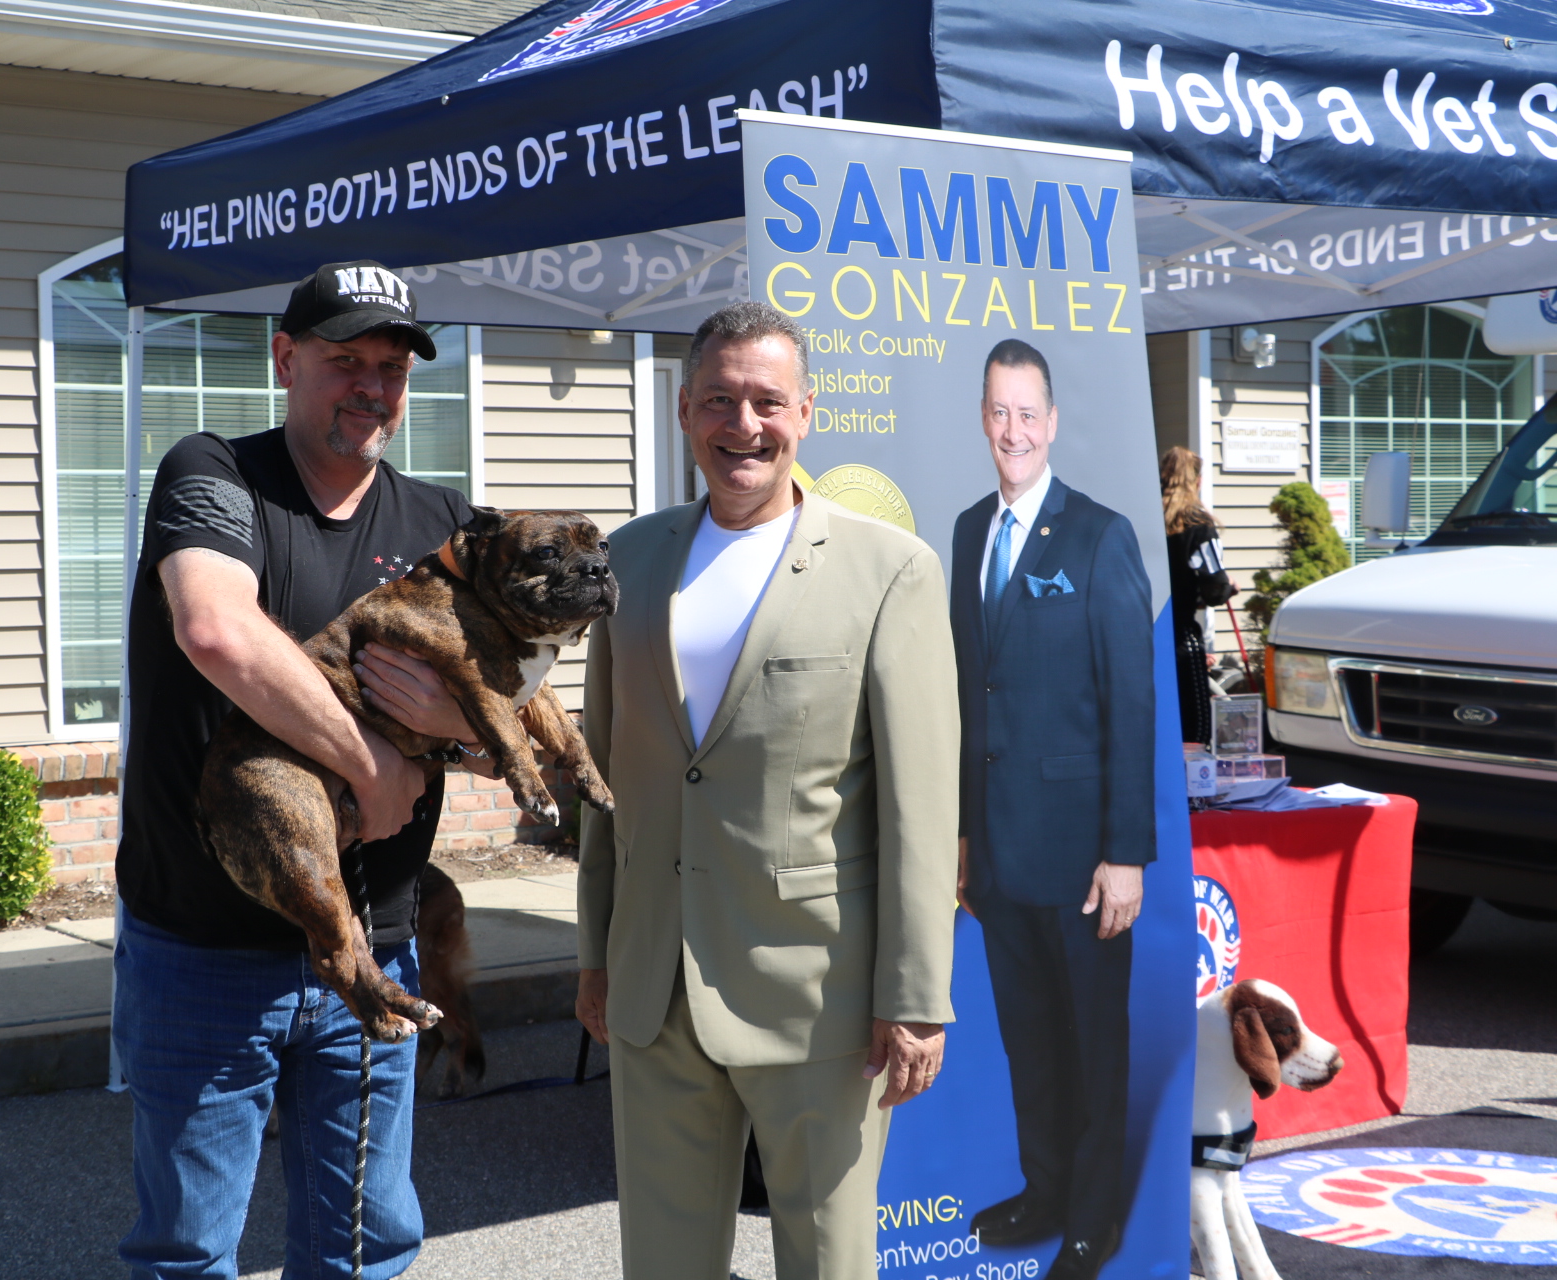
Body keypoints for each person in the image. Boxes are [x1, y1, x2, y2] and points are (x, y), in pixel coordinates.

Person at [112, 260, 501, 1280]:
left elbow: (503, 704)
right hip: (203, 948)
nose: (372, 385)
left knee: (365, 1245)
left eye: (392, 366)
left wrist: (454, 726)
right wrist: (372, 763)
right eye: (345, 361)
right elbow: (215, 626)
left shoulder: (441, 521)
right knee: (189, 1250)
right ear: (286, 360)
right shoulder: (213, 474)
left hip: (376, 957)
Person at [575, 301, 961, 1280]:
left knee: (829, 1260)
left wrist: (917, 995)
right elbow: (605, 781)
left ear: (806, 412)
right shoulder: (629, 561)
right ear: (683, 410)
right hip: (653, 981)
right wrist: (596, 951)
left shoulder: (891, 571)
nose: (742, 425)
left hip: (818, 993)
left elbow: (923, 803)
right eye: (719, 400)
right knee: (662, 1261)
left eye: (766, 401)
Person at [951, 339, 1155, 1280]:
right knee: (1027, 1037)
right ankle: (1043, 1189)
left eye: (1028, 413)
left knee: (1091, 1045)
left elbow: (1131, 701)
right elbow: (967, 696)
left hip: (1081, 857)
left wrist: (1126, 851)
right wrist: (960, 833)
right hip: (997, 850)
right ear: (982, 417)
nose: (1013, 430)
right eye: (999, 412)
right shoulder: (966, 533)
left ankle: (1093, 1219)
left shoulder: (1100, 534)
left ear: (1053, 422)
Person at [1159, 446, 1237, 746]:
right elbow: (1215, 587)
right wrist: (1227, 587)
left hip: (1143, 634)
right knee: (1196, 723)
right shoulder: (1197, 524)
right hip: (1180, 635)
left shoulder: (1146, 518)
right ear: (1198, 481)